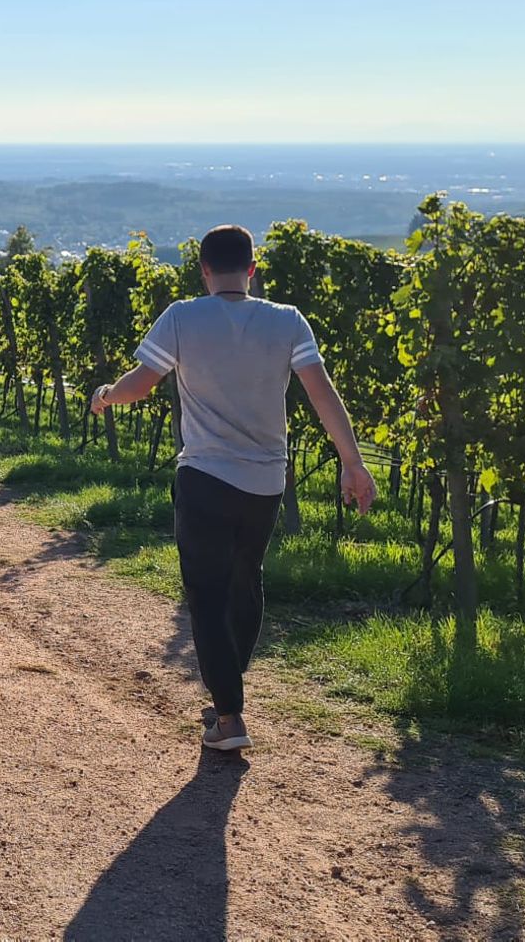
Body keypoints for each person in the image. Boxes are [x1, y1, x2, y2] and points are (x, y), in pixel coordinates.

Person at [90, 225, 376, 752]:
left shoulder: (181, 316)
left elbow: (141, 383)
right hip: (266, 482)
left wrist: (106, 395)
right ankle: (230, 688)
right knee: (246, 583)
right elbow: (322, 393)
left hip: (203, 476)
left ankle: (228, 717)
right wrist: (351, 461)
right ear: (252, 269)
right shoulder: (287, 321)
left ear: (202, 270)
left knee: (206, 593)